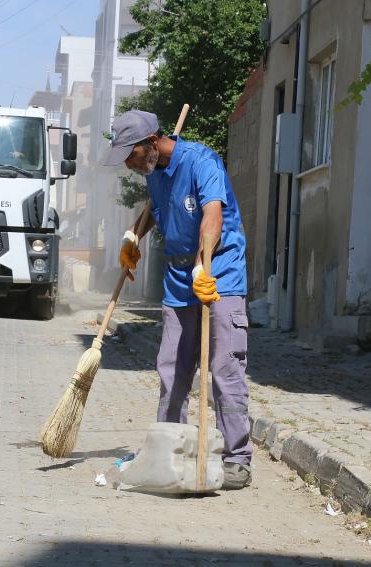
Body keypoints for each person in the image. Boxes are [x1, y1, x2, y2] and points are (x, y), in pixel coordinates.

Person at [104, 109, 252, 490]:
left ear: (151, 142)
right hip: (177, 278)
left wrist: (204, 266)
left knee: (224, 369)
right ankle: (168, 450)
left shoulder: (202, 161)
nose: (128, 163)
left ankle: (237, 460)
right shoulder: (154, 172)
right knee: (171, 367)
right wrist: (133, 236)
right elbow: (157, 209)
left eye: (130, 154)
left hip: (219, 272)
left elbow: (212, 216)